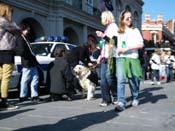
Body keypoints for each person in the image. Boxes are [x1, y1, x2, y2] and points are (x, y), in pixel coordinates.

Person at [115, 10, 144, 111]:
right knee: (121, 80)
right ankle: (121, 102)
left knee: (133, 81)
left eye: (131, 17)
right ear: (122, 19)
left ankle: (135, 97)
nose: (130, 19)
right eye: (127, 18)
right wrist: (117, 49)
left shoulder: (135, 30)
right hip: (121, 58)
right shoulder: (119, 31)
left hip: (132, 58)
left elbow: (140, 45)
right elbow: (118, 44)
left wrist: (127, 48)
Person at [0, 3, 21, 110]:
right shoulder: (5, 21)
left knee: (0, 77)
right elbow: (18, 30)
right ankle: (4, 101)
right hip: (6, 51)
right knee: (6, 77)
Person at [96, 10, 118, 107]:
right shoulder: (108, 28)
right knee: (103, 79)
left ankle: (116, 96)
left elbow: (114, 41)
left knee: (109, 77)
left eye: (102, 17)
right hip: (105, 56)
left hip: (111, 56)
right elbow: (105, 45)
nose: (101, 19)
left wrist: (103, 36)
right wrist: (100, 56)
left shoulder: (113, 26)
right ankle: (106, 99)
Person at [16, 23, 40, 103]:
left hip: (32, 62)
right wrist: (30, 56)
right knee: (25, 80)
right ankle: (22, 96)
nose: (28, 31)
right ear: (22, 30)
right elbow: (21, 51)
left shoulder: (25, 38)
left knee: (35, 79)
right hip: (27, 62)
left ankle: (34, 95)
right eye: (27, 30)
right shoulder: (20, 39)